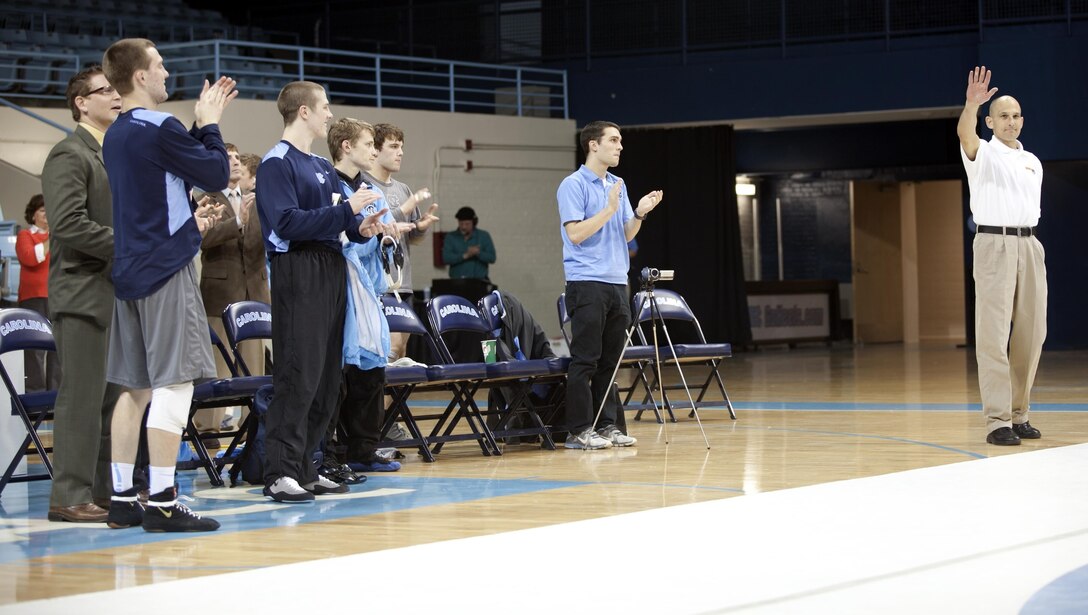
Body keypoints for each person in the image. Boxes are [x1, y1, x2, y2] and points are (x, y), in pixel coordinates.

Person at [101, 38, 235, 531]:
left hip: (130, 271)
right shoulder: (160, 127)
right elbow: (217, 171)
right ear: (139, 77)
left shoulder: (116, 132)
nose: (165, 72)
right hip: (165, 269)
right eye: (158, 65)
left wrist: (197, 127)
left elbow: (174, 170)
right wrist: (211, 123)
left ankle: (121, 497)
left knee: (133, 388)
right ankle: (161, 500)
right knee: (175, 385)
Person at [256, 82, 388, 502]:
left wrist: (360, 226)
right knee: (298, 374)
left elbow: (341, 222)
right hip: (299, 268)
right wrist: (345, 212)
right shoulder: (277, 164)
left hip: (331, 266)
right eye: (324, 107)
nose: (330, 114)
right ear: (303, 112)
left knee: (328, 378)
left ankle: (306, 465)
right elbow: (286, 224)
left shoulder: (321, 165)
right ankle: (279, 470)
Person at [40, 66, 122, 524]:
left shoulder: (109, 154)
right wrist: (127, 244)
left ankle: (103, 492)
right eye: (103, 90)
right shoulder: (69, 153)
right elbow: (69, 224)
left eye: (115, 89)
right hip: (82, 291)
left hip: (111, 291)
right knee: (82, 399)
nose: (114, 95)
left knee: (110, 401)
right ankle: (69, 494)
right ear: (81, 103)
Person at [556, 121, 662, 449]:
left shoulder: (618, 183)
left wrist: (639, 215)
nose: (619, 147)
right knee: (586, 359)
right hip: (587, 282)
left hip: (618, 282)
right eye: (613, 140)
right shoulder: (573, 185)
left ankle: (608, 426)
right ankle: (578, 430)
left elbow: (625, 234)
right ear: (593, 145)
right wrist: (610, 209)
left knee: (611, 361)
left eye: (620, 141)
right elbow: (575, 234)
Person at [957, 66, 1046, 446]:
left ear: (1021, 121)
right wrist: (970, 105)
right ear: (990, 121)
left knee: (1032, 333)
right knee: (993, 334)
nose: (1010, 122)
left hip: (1030, 244)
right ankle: (997, 421)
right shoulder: (982, 153)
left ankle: (1019, 413)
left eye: (1015, 116)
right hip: (994, 244)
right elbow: (965, 132)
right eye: (1002, 116)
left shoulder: (1033, 161)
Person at [328, 118, 402, 473]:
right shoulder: (331, 186)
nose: (374, 150)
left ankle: (364, 449)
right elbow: (338, 237)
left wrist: (386, 236)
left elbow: (374, 236)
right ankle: (330, 452)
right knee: (341, 375)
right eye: (369, 143)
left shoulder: (370, 190)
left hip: (368, 289)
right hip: (341, 287)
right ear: (346, 146)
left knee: (371, 372)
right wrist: (365, 235)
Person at [196, 143, 270, 445]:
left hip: (254, 293)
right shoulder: (206, 200)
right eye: (227, 159)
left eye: (238, 158)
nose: (236, 163)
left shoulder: (257, 200)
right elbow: (202, 239)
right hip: (220, 293)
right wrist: (237, 222)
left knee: (253, 365)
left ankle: (255, 423)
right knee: (217, 364)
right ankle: (207, 428)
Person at [360, 123, 439, 362]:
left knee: (401, 354)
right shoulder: (363, 184)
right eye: (393, 146)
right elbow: (377, 227)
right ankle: (375, 400)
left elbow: (409, 237)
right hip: (379, 284)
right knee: (389, 351)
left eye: (401, 147)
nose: (400, 152)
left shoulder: (402, 188)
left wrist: (420, 228)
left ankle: (392, 400)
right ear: (375, 149)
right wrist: (408, 206)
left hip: (402, 284)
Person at [15, 194, 61, 392]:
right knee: (34, 348)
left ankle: (54, 395)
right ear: (33, 215)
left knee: (57, 347)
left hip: (57, 295)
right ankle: (35, 394)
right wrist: (52, 237)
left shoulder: (59, 238)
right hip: (34, 297)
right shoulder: (26, 236)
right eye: (43, 210)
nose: (47, 214)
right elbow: (31, 258)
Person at [442, 206, 495, 280]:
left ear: (474, 223)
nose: (464, 227)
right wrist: (465, 255)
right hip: (457, 282)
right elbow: (446, 258)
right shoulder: (450, 237)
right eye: (461, 224)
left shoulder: (483, 236)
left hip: (480, 281)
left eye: (467, 224)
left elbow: (492, 258)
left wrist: (478, 253)